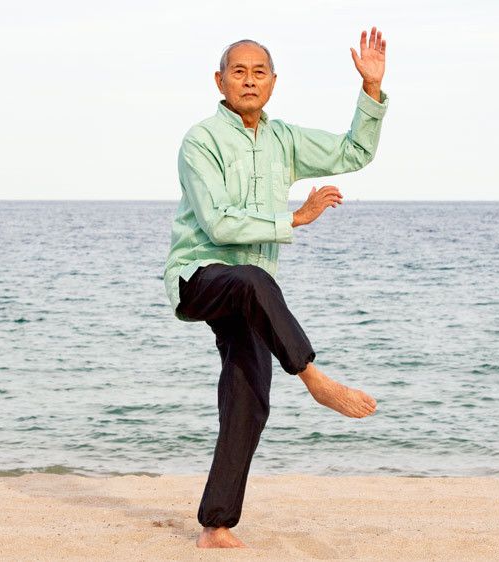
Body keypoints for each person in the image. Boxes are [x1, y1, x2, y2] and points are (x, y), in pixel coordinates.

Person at [162, 27, 389, 549]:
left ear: (273, 83)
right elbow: (217, 225)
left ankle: (214, 524)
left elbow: (354, 152)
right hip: (200, 276)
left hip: (252, 296)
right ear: (219, 81)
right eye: (237, 71)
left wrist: (372, 90)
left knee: (249, 399)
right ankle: (315, 380)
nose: (248, 79)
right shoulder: (201, 140)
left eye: (258, 71)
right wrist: (296, 219)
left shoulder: (284, 139)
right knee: (251, 278)